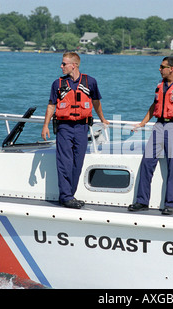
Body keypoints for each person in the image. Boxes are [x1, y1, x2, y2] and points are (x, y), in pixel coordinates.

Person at [128, 56, 173, 215]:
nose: (159, 69)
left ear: (171, 69)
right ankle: (142, 201)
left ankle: (170, 204)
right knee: (147, 163)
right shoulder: (160, 85)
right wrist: (142, 123)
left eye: (162, 67)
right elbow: (155, 105)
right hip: (159, 125)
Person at [42, 52, 109, 209]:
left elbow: (96, 102)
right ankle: (66, 196)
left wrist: (102, 118)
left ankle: (69, 195)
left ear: (74, 65)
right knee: (64, 162)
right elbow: (51, 105)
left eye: (64, 64)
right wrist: (45, 125)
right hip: (64, 127)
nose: (61, 66)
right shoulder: (57, 84)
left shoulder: (90, 82)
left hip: (82, 127)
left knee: (77, 163)